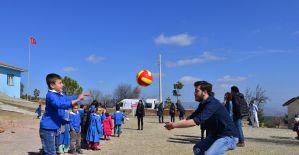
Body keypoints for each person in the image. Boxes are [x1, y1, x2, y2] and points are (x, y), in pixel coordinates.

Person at [165, 81, 238, 155]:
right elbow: (190, 119)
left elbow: (195, 121)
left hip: (228, 137)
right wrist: (173, 124)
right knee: (197, 149)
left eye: (197, 91)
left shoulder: (212, 104)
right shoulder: (203, 104)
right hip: (216, 136)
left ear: (204, 92)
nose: (194, 93)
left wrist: (173, 126)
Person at [39, 73, 90, 155]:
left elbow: (68, 98)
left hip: (55, 128)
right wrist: (77, 100)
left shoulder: (59, 95)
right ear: (52, 85)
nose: (62, 85)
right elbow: (60, 104)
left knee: (53, 150)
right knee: (50, 152)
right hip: (47, 129)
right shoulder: (51, 95)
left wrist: (80, 95)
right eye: (60, 83)